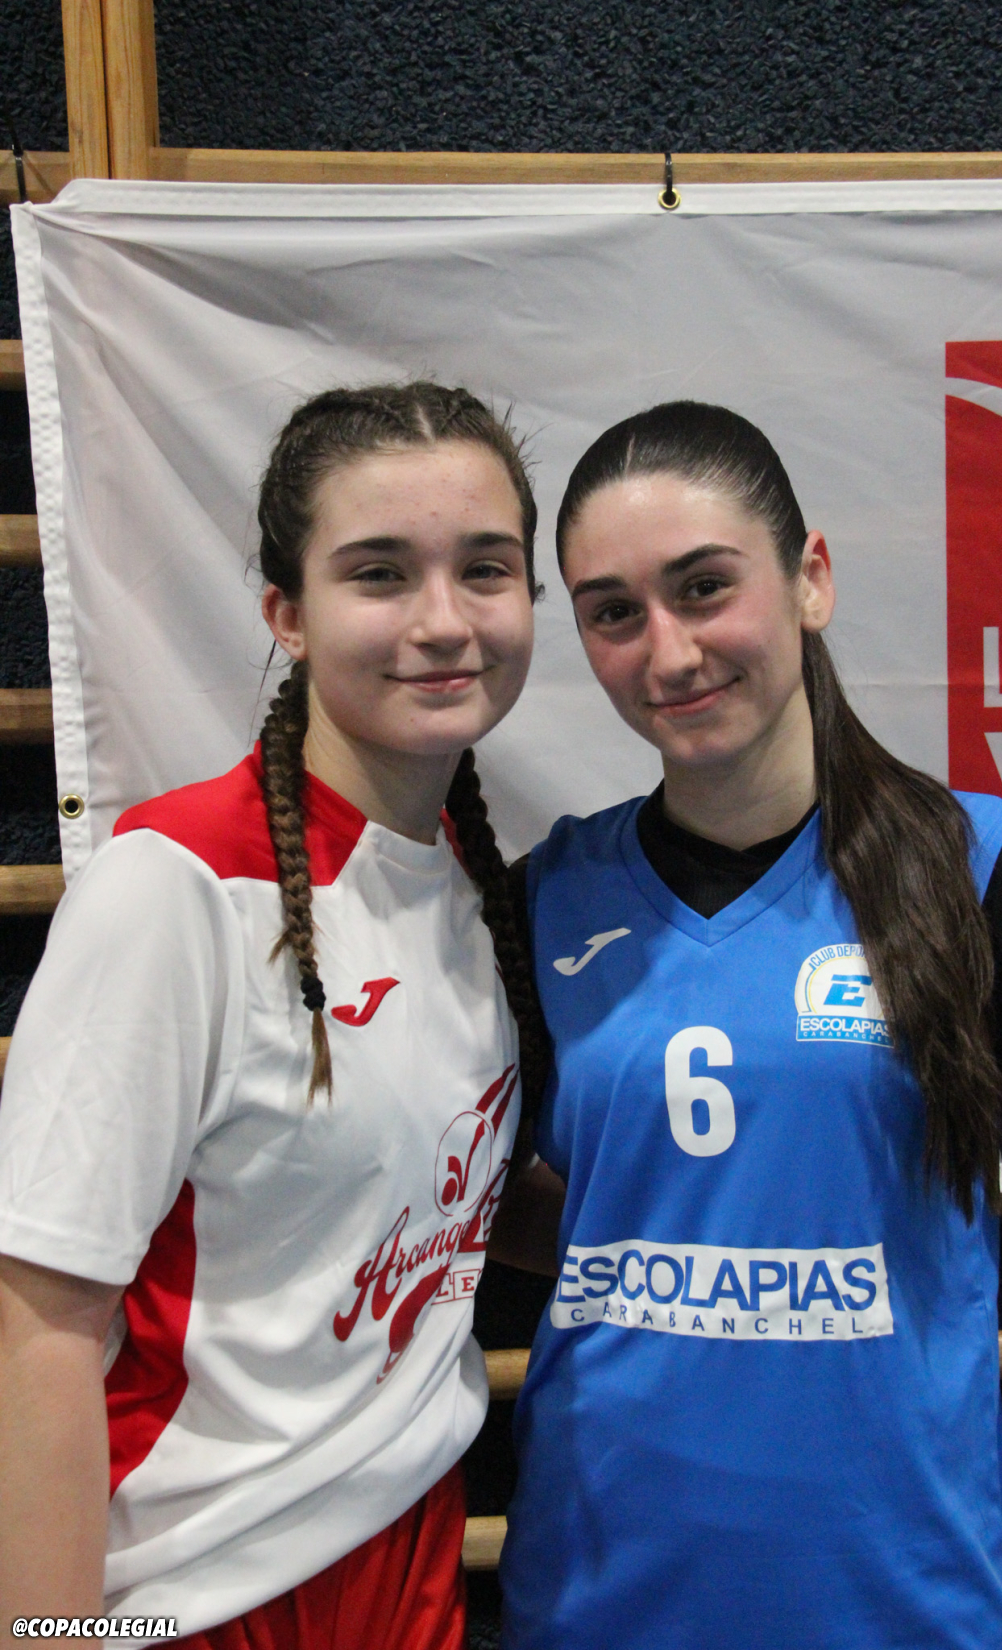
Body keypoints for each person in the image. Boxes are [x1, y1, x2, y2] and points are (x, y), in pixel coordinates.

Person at [498, 401, 1002, 1649]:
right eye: (613, 612)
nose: (668, 652)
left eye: (702, 587)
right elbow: (469, 1203)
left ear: (809, 578)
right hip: (598, 1601)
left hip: (909, 1607)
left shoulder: (989, 873)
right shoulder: (541, 899)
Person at [0, 382, 547, 1649]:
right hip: (187, 1597)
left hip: (411, 1569)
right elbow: (39, 1330)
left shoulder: (479, 896)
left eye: (483, 568)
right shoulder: (175, 887)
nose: (442, 621)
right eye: (379, 573)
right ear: (286, 614)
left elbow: (422, 1202)